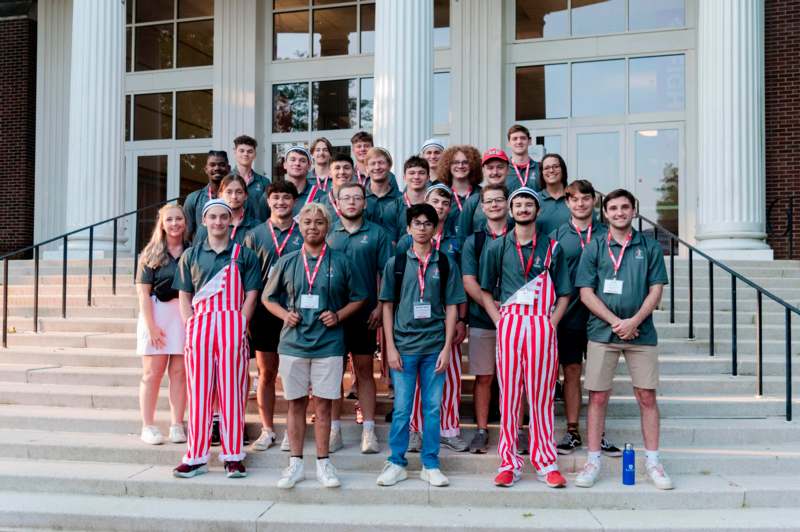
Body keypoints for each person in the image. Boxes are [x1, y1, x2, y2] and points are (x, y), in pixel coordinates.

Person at [263, 203, 368, 489]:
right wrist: (285, 314)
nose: (313, 226)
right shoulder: (287, 261)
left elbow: (359, 296)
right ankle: (295, 465)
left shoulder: (342, 261)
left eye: (319, 222)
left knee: (323, 406)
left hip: (329, 344)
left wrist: (339, 315)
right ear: (299, 226)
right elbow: (267, 298)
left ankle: (324, 464)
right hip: (293, 344)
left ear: (328, 226)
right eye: (307, 221)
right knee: (295, 405)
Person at [574, 188, 672, 490]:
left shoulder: (650, 246)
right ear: (605, 213)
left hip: (641, 334)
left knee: (647, 397)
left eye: (625, 207)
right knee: (598, 397)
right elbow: (585, 292)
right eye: (613, 208)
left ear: (634, 210)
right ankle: (593, 461)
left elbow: (656, 289)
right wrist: (616, 322)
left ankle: (654, 461)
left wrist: (633, 321)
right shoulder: (594, 247)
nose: (619, 213)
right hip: (603, 332)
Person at [478, 187, 571, 489]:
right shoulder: (498, 247)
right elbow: (485, 290)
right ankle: (509, 461)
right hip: (510, 323)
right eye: (517, 204)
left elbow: (566, 294)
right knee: (509, 396)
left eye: (528, 204)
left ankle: (545, 460)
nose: (523, 209)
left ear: (537, 210)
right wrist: (498, 320)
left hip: (541, 323)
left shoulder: (553, 247)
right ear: (510, 210)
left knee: (541, 395)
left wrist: (550, 324)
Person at [376, 204, 466, 488]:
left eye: (429, 223)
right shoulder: (398, 264)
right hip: (404, 347)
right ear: (408, 228)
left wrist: (446, 347)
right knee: (402, 407)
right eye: (417, 223)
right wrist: (389, 347)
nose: (423, 228)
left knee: (431, 408)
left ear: (436, 228)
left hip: (434, 347)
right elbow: (387, 307)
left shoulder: (446, 263)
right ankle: (397, 462)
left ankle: (430, 463)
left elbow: (452, 306)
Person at [172, 199, 261, 479]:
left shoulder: (243, 254)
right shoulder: (191, 255)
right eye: (213, 217)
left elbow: (251, 293)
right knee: (198, 392)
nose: (219, 222)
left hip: (231, 323)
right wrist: (190, 323)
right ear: (204, 220)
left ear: (231, 220)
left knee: (232, 392)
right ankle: (196, 456)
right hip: (201, 325)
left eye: (224, 217)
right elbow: (184, 295)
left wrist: (241, 322)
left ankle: (233, 455)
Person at [550, 180, 621, 458]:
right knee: (571, 373)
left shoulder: (608, 233)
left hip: (601, 316)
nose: (580, 204)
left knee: (599, 377)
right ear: (567, 203)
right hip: (569, 316)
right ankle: (573, 430)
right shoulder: (556, 236)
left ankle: (598, 433)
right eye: (574, 199)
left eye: (585, 199)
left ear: (594, 202)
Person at [397, 184, 467, 452]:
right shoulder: (408, 241)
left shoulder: (454, 240)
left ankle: (448, 429)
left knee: (448, 374)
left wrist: (461, 320)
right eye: (435, 200)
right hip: (413, 325)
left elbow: (458, 286)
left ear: (449, 209)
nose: (440, 206)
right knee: (414, 378)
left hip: (444, 321)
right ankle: (415, 430)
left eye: (445, 203)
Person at [327, 182, 392, 454]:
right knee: (331, 375)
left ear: (365, 203)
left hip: (365, 315)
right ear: (337, 203)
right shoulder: (329, 233)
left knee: (365, 372)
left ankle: (368, 430)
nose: (352, 202)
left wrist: (380, 305)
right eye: (346, 198)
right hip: (332, 317)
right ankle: (333, 429)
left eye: (357, 198)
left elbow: (388, 273)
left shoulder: (377, 234)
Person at [243, 181, 303, 452]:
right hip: (265, 311)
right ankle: (267, 429)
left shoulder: (304, 231)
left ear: (294, 201)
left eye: (286, 198)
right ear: (268, 201)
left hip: (297, 310)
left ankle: (293, 429)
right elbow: (246, 277)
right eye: (276, 198)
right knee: (266, 373)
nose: (281, 202)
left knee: (296, 372)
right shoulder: (255, 235)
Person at [460, 183, 512, 454]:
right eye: (489, 201)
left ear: (507, 203)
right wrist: (494, 309)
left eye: (499, 200)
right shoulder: (475, 241)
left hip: (519, 318)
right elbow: (469, 281)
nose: (494, 205)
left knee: (518, 378)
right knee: (484, 377)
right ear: (481, 207)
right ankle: (481, 430)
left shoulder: (523, 234)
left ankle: (515, 429)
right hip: (483, 318)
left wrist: (509, 311)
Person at [136, 203, 188, 446]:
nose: (175, 223)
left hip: (183, 314)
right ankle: (148, 425)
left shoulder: (193, 251)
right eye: (170, 219)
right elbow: (143, 295)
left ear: (185, 222)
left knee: (179, 373)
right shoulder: (150, 253)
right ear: (162, 223)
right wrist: (151, 326)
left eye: (179, 219)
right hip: (157, 314)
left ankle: (177, 424)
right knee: (152, 373)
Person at [458, 148, 512, 239]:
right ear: (483, 170)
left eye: (500, 167)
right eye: (490, 168)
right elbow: (462, 237)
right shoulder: (473, 201)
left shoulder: (516, 199)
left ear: (508, 169)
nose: (495, 172)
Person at [193, 175, 260, 245]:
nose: (234, 196)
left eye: (239, 192)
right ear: (220, 195)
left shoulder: (256, 227)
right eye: (229, 192)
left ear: (246, 196)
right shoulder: (207, 227)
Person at [437, 145, 482, 239]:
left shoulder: (482, 194)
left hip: (475, 247)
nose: (460, 166)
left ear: (473, 166)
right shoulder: (440, 195)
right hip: (447, 248)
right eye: (455, 162)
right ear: (448, 166)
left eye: (465, 162)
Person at [183, 150, 230, 240]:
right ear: (206, 169)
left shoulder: (236, 199)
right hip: (201, 253)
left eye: (221, 165)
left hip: (231, 252)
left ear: (228, 168)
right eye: (212, 165)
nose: (217, 168)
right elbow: (186, 234)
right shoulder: (193, 199)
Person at [364, 147, 403, 244]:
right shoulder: (359, 198)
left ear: (389, 166)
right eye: (373, 163)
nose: (377, 167)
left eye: (381, 162)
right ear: (367, 168)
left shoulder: (402, 199)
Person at [232, 134, 271, 223]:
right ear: (235, 152)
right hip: (233, 230)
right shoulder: (226, 180)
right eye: (241, 151)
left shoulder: (264, 182)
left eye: (250, 151)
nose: (245, 154)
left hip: (258, 231)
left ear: (255, 154)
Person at [536, 153, 571, 235]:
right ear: (542, 173)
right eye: (546, 168)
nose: (551, 170)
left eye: (556, 166)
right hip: (543, 247)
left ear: (563, 170)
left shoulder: (575, 198)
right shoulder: (534, 200)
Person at [282, 146, 323, 216]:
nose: (297, 163)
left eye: (302, 161)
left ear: (309, 166)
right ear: (285, 165)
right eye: (292, 160)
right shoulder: (273, 195)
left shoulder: (320, 196)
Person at [318, 153, 356, 225]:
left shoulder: (363, 201)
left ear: (353, 172)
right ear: (329, 173)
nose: (342, 172)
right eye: (337, 168)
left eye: (346, 168)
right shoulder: (319, 204)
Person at [506, 124, 540, 193]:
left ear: (529, 141)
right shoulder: (504, 169)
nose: (519, 142)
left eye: (523, 138)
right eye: (515, 139)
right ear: (509, 143)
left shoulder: (540, 168)